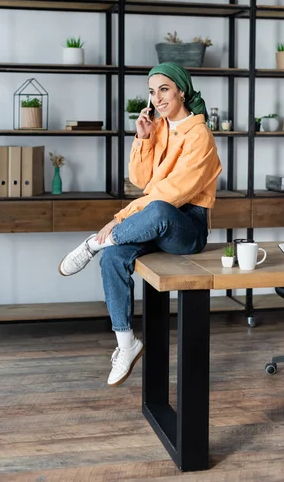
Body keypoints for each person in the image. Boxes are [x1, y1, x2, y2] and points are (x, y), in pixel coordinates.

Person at [59, 62, 222, 386]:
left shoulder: (200, 134)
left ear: (181, 90)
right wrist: (143, 138)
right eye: (152, 91)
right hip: (153, 216)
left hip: (186, 226)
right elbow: (141, 180)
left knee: (160, 210)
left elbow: (174, 194)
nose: (157, 98)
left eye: (164, 89)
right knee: (113, 258)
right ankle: (126, 342)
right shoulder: (160, 127)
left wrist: (120, 218)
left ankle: (93, 242)